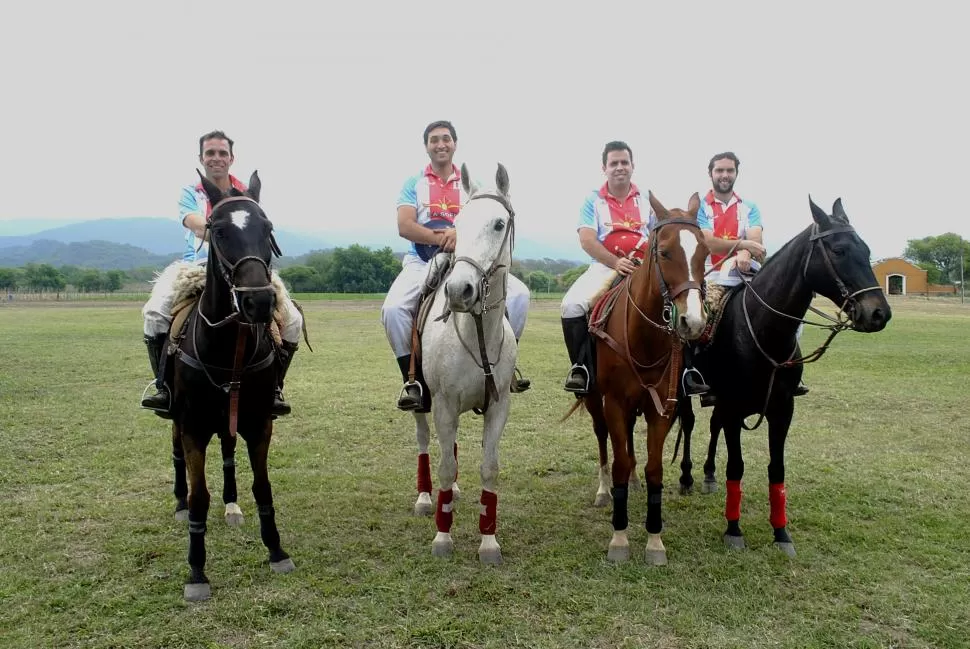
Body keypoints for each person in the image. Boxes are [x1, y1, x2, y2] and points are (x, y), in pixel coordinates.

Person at [140, 130, 304, 418]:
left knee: (292, 320)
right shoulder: (192, 191)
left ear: (231, 158)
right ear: (202, 158)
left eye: (222, 153)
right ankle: (163, 387)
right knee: (154, 312)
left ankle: (275, 387)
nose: (216, 158)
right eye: (210, 153)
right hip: (197, 267)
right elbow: (194, 222)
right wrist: (220, 227)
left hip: (242, 266)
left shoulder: (245, 190)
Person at [381, 120, 531, 411]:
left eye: (446, 138)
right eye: (434, 139)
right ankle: (413, 381)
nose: (440, 144)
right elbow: (405, 225)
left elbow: (487, 222)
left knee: (520, 296)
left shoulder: (470, 185)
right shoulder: (415, 183)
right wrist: (442, 237)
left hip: (469, 261)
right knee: (394, 310)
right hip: (423, 259)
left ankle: (506, 367)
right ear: (426, 146)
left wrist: (460, 238)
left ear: (455, 144)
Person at [558, 140, 708, 396]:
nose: (619, 167)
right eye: (614, 163)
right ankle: (581, 367)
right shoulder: (593, 200)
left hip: (643, 267)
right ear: (604, 167)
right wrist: (615, 262)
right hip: (606, 266)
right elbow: (587, 239)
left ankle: (688, 371)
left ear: (632, 166)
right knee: (571, 305)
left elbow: (662, 236)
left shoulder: (647, 199)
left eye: (624, 162)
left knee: (680, 305)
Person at [693, 151, 808, 402]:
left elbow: (757, 241)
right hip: (713, 276)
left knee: (791, 314)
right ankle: (702, 375)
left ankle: (791, 371)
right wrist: (744, 245)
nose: (724, 175)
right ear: (710, 173)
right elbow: (709, 243)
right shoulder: (701, 206)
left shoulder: (749, 206)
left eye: (729, 170)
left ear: (736, 173)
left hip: (748, 275)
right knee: (702, 318)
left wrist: (747, 248)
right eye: (719, 170)